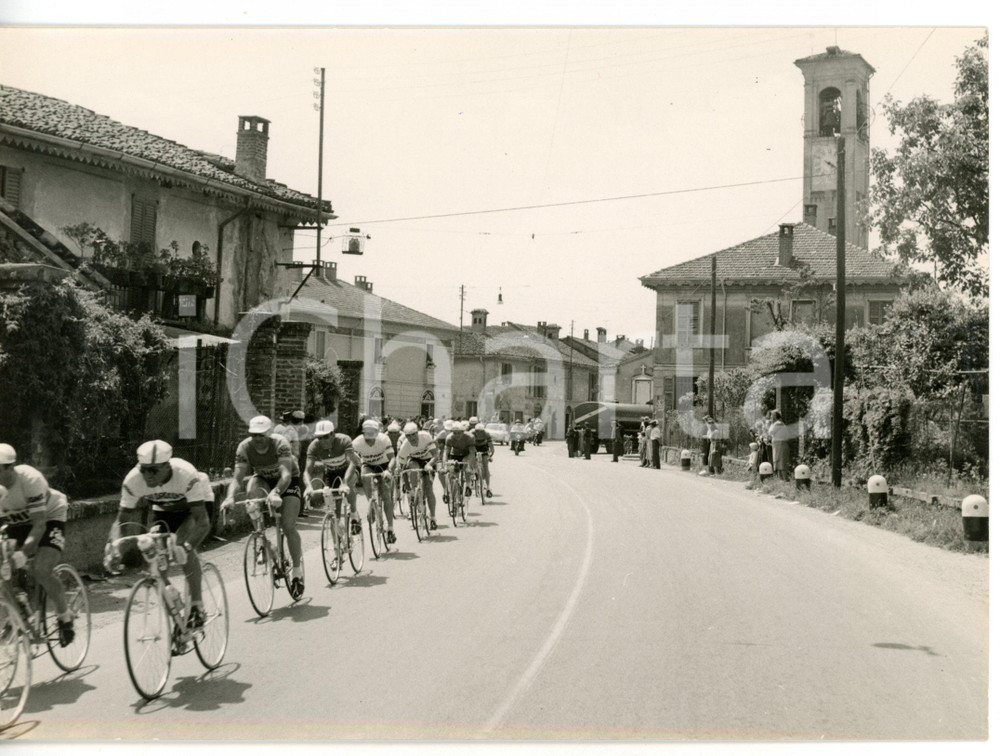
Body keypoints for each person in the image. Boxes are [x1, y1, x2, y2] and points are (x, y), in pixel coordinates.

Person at [105, 440, 213, 629]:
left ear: (167, 466)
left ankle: (197, 605)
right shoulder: (133, 480)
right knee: (154, 555)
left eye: (154, 470)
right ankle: (175, 613)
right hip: (164, 509)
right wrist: (116, 547)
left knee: (180, 547)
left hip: (194, 507)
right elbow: (122, 520)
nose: (148, 475)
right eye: (144, 469)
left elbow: (203, 522)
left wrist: (187, 548)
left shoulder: (186, 474)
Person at [222, 415, 306, 599]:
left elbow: (285, 475)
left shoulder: (280, 443)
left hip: (288, 480)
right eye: (254, 435)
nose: (257, 439)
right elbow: (237, 478)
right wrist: (229, 498)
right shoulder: (244, 447)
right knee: (252, 499)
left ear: (269, 433)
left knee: (287, 524)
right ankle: (263, 542)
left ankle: (297, 572)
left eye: (261, 435)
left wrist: (276, 492)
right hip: (263, 478)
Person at [0, 443, 75, 645]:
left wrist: (23, 553)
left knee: (41, 569)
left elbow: (39, 525)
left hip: (49, 517)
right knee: (3, 569)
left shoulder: (30, 479)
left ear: (10, 467)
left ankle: (65, 617)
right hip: (17, 522)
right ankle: (15, 615)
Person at [303, 420, 362, 532]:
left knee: (348, 486)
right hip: (331, 472)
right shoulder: (314, 446)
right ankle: (338, 541)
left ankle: (354, 514)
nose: (322, 441)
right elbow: (307, 471)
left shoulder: (344, 440)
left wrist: (344, 482)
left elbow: (352, 463)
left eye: (325, 437)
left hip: (349, 468)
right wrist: (308, 486)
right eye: (319, 438)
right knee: (333, 506)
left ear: (333, 434)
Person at [353, 418, 397, 544]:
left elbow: (392, 458)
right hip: (367, 464)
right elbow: (352, 458)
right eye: (367, 438)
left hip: (384, 465)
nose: (370, 441)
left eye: (372, 437)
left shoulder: (384, 439)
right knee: (364, 476)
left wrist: (388, 470)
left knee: (386, 496)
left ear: (377, 434)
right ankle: (371, 503)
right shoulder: (357, 442)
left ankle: (390, 529)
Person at [396, 422, 440, 529]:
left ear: (417, 432)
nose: (412, 438)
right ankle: (416, 492)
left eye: (413, 434)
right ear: (405, 436)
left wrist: (429, 464)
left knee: (429, 489)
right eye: (408, 435)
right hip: (414, 460)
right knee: (412, 466)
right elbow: (402, 469)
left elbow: (435, 455)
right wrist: (408, 488)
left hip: (429, 460)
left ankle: (433, 517)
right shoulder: (405, 445)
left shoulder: (425, 436)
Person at [444, 419, 476, 512]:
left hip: (466, 454)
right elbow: (446, 452)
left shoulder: (470, 437)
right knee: (452, 473)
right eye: (455, 433)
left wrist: (469, 464)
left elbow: (472, 452)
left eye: (459, 433)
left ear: (463, 432)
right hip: (455, 454)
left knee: (466, 466)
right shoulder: (449, 438)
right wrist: (445, 464)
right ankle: (454, 497)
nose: (457, 435)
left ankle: (468, 486)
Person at [469, 417, 494, 498]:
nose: (479, 433)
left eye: (481, 432)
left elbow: (492, 448)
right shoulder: (471, 433)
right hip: (474, 447)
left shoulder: (486, 434)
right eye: (477, 432)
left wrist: (490, 455)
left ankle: (488, 487)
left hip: (484, 448)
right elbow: (467, 446)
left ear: (483, 431)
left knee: (486, 466)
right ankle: (473, 472)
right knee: (471, 458)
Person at [768, 410, 791, 481]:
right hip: (778, 445)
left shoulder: (778, 424)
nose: (770, 417)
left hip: (780, 445)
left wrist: (771, 423)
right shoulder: (778, 423)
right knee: (778, 462)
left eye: (771, 415)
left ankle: (784, 479)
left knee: (781, 462)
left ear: (775, 416)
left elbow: (770, 432)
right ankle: (781, 480)